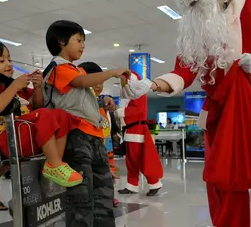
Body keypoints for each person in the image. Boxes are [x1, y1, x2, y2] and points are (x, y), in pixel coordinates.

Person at [123, 0, 251, 227]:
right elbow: (183, 71)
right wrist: (152, 84)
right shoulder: (192, 28)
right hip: (222, 118)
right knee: (225, 191)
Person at [0, 40, 83, 194]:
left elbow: (37, 105)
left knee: (61, 115)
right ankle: (54, 164)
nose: (8, 64)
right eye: (1, 60)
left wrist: (37, 88)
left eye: (9, 60)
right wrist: (15, 86)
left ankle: (56, 163)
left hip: (28, 132)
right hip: (10, 136)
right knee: (44, 114)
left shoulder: (16, 86)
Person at [42, 20, 130, 227]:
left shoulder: (75, 70)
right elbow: (81, 84)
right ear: (62, 41)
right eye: (79, 40)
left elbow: (82, 99)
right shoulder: (57, 68)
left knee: (104, 192)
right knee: (81, 197)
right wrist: (112, 72)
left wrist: (103, 101)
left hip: (94, 136)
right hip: (75, 136)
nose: (83, 45)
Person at [78, 61, 120, 207]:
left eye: (101, 81)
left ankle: (108, 196)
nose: (98, 85)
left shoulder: (103, 105)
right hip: (90, 151)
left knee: (109, 176)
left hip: (106, 148)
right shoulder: (81, 105)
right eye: (94, 81)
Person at [116, 71, 163, 197]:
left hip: (137, 130)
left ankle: (154, 182)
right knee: (131, 160)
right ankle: (132, 185)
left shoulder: (139, 94)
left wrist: (120, 111)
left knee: (140, 159)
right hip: (130, 130)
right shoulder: (130, 96)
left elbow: (138, 110)